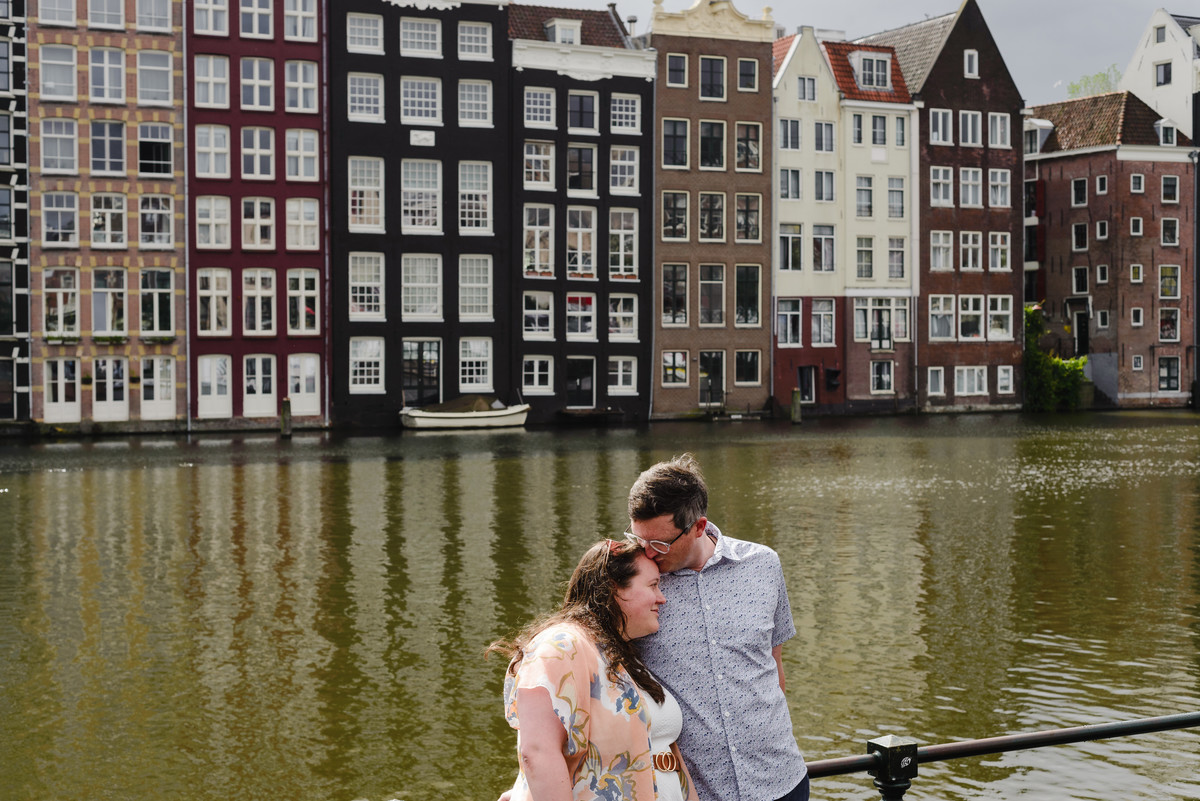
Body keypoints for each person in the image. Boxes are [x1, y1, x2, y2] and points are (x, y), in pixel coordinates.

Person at [627, 454, 809, 801]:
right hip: (693, 793)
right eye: (639, 539)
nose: (648, 553)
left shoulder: (764, 565)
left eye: (661, 543)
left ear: (698, 527)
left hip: (782, 782)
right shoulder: (635, 586)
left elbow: (775, 669)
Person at [489, 539, 700, 801]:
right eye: (653, 585)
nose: (662, 598)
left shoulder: (623, 657)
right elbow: (537, 752)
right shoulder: (562, 645)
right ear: (614, 588)